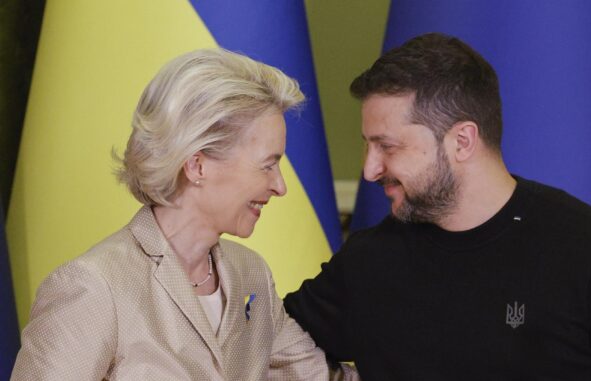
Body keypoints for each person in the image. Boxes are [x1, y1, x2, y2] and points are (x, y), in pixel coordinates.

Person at [284, 33, 591, 380]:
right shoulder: (369, 261)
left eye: (388, 146)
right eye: (368, 146)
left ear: (462, 141)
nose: (370, 169)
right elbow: (260, 349)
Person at [12, 48, 356, 380]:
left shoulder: (251, 276)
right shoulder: (94, 287)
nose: (280, 186)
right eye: (268, 166)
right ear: (197, 165)